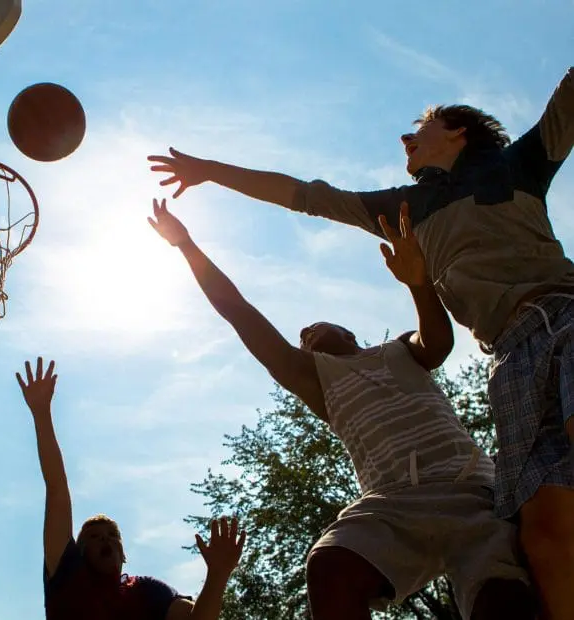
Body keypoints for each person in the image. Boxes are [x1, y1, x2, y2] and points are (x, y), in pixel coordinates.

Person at [148, 67, 574, 619]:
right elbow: (302, 200)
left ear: (459, 133)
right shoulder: (403, 216)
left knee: (518, 576)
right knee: (541, 537)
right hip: (498, 372)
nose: (405, 137)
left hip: (546, 349)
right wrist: (207, 177)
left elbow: (437, 344)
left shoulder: (516, 165)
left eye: (421, 126)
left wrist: (420, 285)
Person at [148, 198, 535, 620]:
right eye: (301, 338)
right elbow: (239, 313)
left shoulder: (397, 349)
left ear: (348, 331)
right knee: (330, 564)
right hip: (392, 503)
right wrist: (186, 244)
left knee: (503, 598)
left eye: (313, 326)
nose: (304, 334)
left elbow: (438, 344)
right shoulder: (316, 378)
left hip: (470, 488)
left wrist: (419, 285)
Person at [17, 357, 246, 620]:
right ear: (78, 552)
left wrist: (217, 575)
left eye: (112, 535)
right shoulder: (68, 574)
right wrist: (41, 413)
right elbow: (57, 489)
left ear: (124, 554)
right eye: (94, 537)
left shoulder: (146, 590)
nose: (105, 539)